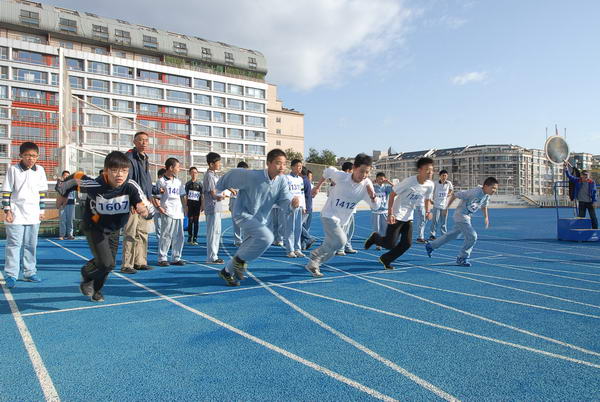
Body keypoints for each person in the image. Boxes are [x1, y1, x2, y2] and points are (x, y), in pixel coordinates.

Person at [56, 151, 153, 301]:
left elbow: (144, 204)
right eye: (114, 170)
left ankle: (97, 290)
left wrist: (144, 210)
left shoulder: (130, 186)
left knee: (109, 264)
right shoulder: (95, 185)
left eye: (124, 171)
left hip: (114, 229)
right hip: (94, 227)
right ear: (106, 170)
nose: (119, 175)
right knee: (106, 263)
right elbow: (75, 178)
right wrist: (62, 194)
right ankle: (87, 275)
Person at [216, 149, 300, 286]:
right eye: (278, 163)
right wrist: (218, 188)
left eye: (284, 164)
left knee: (245, 248)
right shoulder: (252, 176)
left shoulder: (282, 180)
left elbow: (284, 198)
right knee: (267, 238)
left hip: (259, 220)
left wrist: (292, 204)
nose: (282, 167)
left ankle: (226, 271)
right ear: (268, 163)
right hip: (243, 215)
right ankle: (240, 262)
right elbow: (232, 174)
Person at [306, 154, 378, 277]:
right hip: (329, 214)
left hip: (342, 220)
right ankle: (316, 254)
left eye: (367, 172)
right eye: (361, 171)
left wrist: (372, 196)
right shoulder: (341, 176)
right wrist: (317, 187)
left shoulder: (367, 185)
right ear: (354, 168)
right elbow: (327, 171)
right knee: (341, 241)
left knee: (333, 248)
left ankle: (313, 264)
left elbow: (375, 207)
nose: (364, 175)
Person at [365, 157, 435, 269]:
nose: (430, 172)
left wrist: (428, 211)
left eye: (432, 170)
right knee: (390, 244)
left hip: (408, 216)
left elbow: (427, 199)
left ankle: (386, 259)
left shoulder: (430, 185)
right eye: (427, 169)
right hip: (397, 214)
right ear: (420, 170)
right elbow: (392, 194)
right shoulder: (409, 182)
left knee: (407, 244)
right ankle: (375, 237)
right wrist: (390, 213)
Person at [2, 142, 48, 289]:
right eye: (28, 155)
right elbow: (6, 192)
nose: (31, 158)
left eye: (34, 156)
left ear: (38, 157)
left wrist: (41, 211)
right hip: (16, 214)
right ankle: (11, 274)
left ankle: (29, 272)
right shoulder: (13, 170)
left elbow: (42, 193)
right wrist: (7, 210)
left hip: (33, 214)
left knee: (31, 245)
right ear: (21, 155)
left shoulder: (40, 170)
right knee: (14, 245)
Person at [426, 177, 499, 267]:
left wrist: (486, 217)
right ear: (485, 186)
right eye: (493, 188)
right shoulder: (474, 192)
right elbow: (455, 195)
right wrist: (446, 208)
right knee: (472, 236)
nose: (494, 190)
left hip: (467, 217)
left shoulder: (486, 196)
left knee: (453, 235)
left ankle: (431, 245)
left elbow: (484, 206)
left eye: (496, 188)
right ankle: (462, 258)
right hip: (461, 215)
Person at [121, 131, 155, 274]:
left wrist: (150, 195)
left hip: (144, 202)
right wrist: (133, 202)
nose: (144, 142)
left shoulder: (145, 158)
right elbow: (127, 181)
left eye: (146, 140)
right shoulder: (129, 157)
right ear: (134, 142)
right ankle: (127, 264)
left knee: (142, 232)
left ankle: (140, 261)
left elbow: (146, 181)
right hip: (134, 203)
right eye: (140, 140)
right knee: (130, 233)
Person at [156, 158, 186, 267]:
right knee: (166, 235)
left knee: (179, 236)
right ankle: (162, 257)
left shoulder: (178, 182)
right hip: (168, 211)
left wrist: (185, 208)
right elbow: (155, 196)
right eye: (177, 167)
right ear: (171, 168)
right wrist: (159, 207)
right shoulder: (161, 181)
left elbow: (182, 196)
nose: (179, 169)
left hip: (178, 212)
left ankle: (176, 257)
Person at [203, 152, 231, 264]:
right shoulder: (209, 176)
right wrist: (222, 196)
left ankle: (214, 255)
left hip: (217, 208)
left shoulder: (214, 175)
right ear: (211, 164)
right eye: (218, 162)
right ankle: (211, 257)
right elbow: (213, 194)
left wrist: (226, 192)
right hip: (212, 207)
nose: (220, 164)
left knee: (217, 232)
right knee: (212, 232)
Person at [283, 159, 307, 258]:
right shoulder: (286, 178)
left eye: (301, 166)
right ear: (292, 167)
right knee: (290, 229)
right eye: (297, 166)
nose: (299, 168)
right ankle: (290, 250)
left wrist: (303, 206)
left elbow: (301, 194)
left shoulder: (300, 179)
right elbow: (285, 193)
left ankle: (297, 249)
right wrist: (291, 202)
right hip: (290, 207)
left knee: (298, 228)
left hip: (299, 207)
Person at [336, 161, 358, 255]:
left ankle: (348, 246)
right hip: (343, 210)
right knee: (343, 229)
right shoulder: (340, 180)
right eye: (353, 170)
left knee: (350, 229)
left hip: (351, 209)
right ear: (348, 170)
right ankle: (340, 248)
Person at [428, 169, 454, 240]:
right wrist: (431, 199)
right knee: (435, 221)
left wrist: (449, 194)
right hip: (436, 205)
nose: (444, 177)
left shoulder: (449, 183)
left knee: (444, 221)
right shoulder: (435, 183)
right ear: (440, 176)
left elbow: (451, 189)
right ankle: (432, 234)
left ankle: (444, 234)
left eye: (445, 175)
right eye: (443, 175)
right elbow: (431, 192)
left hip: (445, 206)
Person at [371, 172, 393, 251]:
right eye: (379, 179)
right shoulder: (373, 187)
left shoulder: (386, 187)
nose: (380, 180)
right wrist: (372, 182)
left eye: (382, 179)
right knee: (376, 228)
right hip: (375, 211)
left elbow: (396, 188)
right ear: (376, 179)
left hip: (384, 211)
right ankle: (378, 244)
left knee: (385, 228)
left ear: (384, 179)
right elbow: (365, 188)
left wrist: (389, 182)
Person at [229, 161, 249, 246]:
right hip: (235, 199)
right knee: (236, 221)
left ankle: (245, 239)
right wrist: (232, 190)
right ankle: (237, 240)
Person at [184, 166, 203, 245]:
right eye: (192, 173)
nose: (194, 174)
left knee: (196, 222)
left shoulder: (200, 184)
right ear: (189, 173)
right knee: (190, 221)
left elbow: (202, 195)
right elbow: (186, 195)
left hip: (197, 205)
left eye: (195, 173)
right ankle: (189, 236)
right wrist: (186, 206)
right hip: (190, 205)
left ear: (197, 174)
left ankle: (195, 238)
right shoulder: (187, 184)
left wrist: (202, 205)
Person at [56, 170, 76, 240]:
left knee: (70, 220)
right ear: (62, 176)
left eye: (68, 175)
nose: (67, 176)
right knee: (62, 220)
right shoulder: (60, 183)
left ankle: (70, 234)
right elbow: (57, 189)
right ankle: (62, 235)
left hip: (71, 203)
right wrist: (59, 181)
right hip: (62, 203)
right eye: (65, 175)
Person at [301, 168, 316, 250]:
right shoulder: (304, 182)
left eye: (311, 176)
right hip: (306, 207)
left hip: (307, 207)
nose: (311, 178)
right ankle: (303, 244)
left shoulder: (305, 182)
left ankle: (308, 238)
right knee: (302, 226)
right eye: (310, 176)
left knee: (300, 226)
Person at [153, 168, 166, 241]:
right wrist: (158, 207)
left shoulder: (167, 183)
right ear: (159, 176)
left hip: (164, 208)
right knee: (158, 226)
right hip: (158, 209)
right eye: (163, 176)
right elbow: (154, 197)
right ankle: (160, 241)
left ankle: (165, 241)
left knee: (164, 226)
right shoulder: (157, 183)